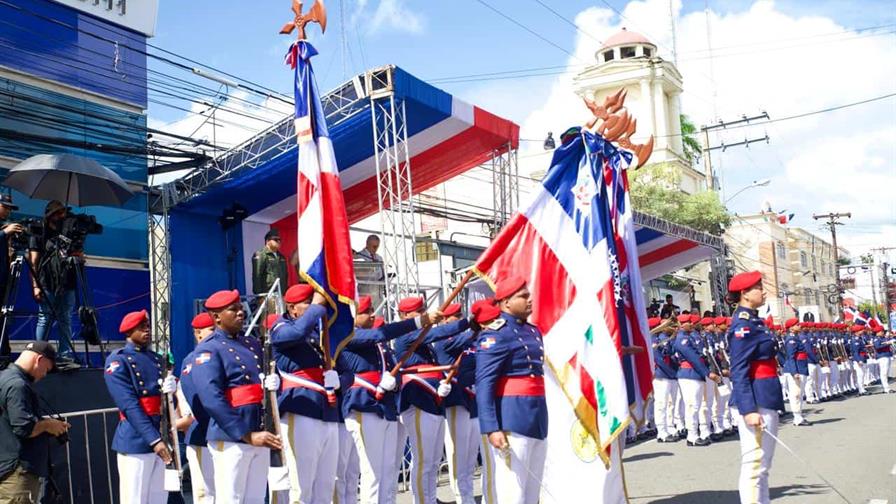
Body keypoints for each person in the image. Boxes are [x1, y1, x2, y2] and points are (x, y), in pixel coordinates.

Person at [336, 296, 440, 504]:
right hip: (364, 405)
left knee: (388, 471)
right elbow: (378, 334)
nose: (372, 314)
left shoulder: (378, 346)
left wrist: (393, 380)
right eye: (366, 311)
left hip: (385, 406)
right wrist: (419, 321)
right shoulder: (348, 335)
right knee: (372, 473)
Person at [189, 289, 282, 503]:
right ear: (216, 317)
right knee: (232, 499)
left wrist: (273, 382)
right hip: (231, 435)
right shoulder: (208, 349)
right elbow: (212, 398)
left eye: (241, 308)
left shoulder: (251, 344)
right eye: (233, 310)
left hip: (259, 430)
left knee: (255, 498)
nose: (241, 313)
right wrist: (246, 434)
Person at [475, 277, 548, 504]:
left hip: (536, 416)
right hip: (512, 418)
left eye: (529, 295)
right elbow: (484, 383)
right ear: (506, 302)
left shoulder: (533, 331)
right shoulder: (496, 333)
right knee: (512, 490)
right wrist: (492, 428)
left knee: (532, 491)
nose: (530, 300)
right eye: (523, 296)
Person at [268, 284, 340, 504]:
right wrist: (318, 306)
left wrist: (339, 379)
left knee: (326, 485)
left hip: (326, 410)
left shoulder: (318, 334)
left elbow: (346, 369)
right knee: (300, 487)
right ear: (292, 309)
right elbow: (296, 332)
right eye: (307, 304)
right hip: (301, 410)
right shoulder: (280, 327)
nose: (314, 308)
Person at [393, 297, 469, 504]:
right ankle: (422, 500)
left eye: (423, 309)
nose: (422, 313)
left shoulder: (426, 344)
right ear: (404, 316)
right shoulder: (406, 335)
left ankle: (430, 497)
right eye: (417, 311)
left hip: (433, 400)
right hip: (418, 400)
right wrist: (467, 323)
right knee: (423, 459)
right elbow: (439, 332)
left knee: (434, 460)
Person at [103, 310, 175, 504]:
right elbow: (129, 405)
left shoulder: (155, 358)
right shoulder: (119, 360)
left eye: (148, 326)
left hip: (160, 432)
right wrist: (154, 439)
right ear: (128, 331)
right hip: (137, 438)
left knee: (158, 498)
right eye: (141, 327)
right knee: (134, 498)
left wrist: (171, 391)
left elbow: (163, 403)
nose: (147, 330)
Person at [726, 271, 785, 504]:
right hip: (756, 399)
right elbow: (738, 370)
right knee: (754, 466)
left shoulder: (755, 321)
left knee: (763, 467)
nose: (763, 291)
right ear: (744, 293)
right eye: (758, 287)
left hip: (766, 395)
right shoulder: (743, 325)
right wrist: (748, 409)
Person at [0, 341, 69, 503]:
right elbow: (24, 428)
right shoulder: (17, 385)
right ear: (39, 360)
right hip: (17, 472)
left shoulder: (4, 377)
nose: (44, 375)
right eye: (47, 369)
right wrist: (48, 425)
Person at [432, 302, 481, 504]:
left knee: (471, 454)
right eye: (456, 316)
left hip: (471, 400)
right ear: (444, 320)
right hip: (455, 401)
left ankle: (468, 494)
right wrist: (475, 324)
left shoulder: (468, 341)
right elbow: (465, 336)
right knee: (457, 453)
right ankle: (462, 497)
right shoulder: (444, 340)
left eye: (462, 314)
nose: (460, 318)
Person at [29, 201, 79, 370]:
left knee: (65, 318)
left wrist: (79, 256)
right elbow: (33, 261)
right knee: (45, 318)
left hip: (67, 282)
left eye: (63, 213)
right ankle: (38, 354)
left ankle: (65, 356)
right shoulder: (39, 231)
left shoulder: (69, 232)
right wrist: (35, 285)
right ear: (50, 215)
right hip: (47, 282)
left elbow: (78, 256)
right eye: (58, 213)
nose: (62, 216)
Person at [177, 312, 218, 503]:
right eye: (211, 330)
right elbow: (194, 398)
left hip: (228, 433)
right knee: (206, 493)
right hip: (203, 431)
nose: (216, 334)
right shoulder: (192, 360)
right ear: (198, 334)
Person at [673, 314, 717, 446]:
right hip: (689, 374)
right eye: (688, 322)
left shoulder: (688, 338)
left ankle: (694, 433)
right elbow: (694, 358)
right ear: (682, 324)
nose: (691, 324)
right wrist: (707, 373)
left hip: (694, 374)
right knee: (692, 406)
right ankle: (692, 435)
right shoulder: (682, 340)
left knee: (696, 406)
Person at [0, 194, 23, 358]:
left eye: (10, 208)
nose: (8, 211)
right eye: (5, 206)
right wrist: (4, 233)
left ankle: (3, 352)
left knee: (3, 318)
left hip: (3, 280)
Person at [650, 317, 679, 443]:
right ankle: (661, 431)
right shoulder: (652, 340)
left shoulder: (660, 339)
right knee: (661, 404)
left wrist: (672, 339)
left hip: (667, 374)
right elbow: (659, 360)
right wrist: (672, 373)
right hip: (661, 374)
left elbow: (669, 353)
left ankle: (668, 427)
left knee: (669, 403)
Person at [781, 318, 811, 426]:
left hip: (801, 367)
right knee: (796, 394)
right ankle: (797, 417)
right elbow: (791, 357)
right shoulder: (791, 340)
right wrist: (794, 372)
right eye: (797, 324)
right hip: (796, 369)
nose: (800, 326)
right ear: (791, 328)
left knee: (800, 393)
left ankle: (799, 416)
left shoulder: (796, 338)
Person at [252, 228, 289, 297]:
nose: (278, 242)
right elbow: (257, 276)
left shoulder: (281, 256)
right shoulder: (261, 254)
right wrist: (259, 296)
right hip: (268, 294)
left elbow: (285, 276)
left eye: (279, 240)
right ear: (267, 241)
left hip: (281, 294)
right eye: (275, 240)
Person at [870, 324, 892, 393]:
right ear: (878, 332)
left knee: (886, 373)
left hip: (887, 355)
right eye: (882, 331)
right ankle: (886, 388)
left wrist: (889, 341)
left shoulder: (883, 338)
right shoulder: (876, 339)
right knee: (884, 373)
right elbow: (877, 347)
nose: (883, 332)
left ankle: (886, 387)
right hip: (882, 357)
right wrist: (887, 343)